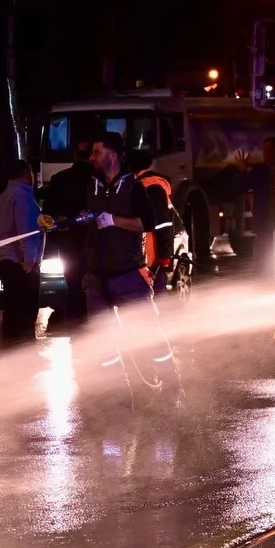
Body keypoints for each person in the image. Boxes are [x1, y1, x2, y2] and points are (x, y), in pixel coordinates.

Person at [84, 131, 181, 391]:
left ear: (112, 156)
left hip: (128, 275)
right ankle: (117, 393)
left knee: (148, 335)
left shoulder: (134, 188)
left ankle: (171, 386)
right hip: (96, 278)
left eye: (97, 152)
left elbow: (149, 223)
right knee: (102, 339)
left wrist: (114, 220)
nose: (92, 157)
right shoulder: (91, 185)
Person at [40, 139, 91, 325]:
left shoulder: (59, 179)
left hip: (67, 242)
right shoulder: (98, 179)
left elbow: (48, 214)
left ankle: (76, 326)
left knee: (73, 285)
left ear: (74, 156)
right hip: (94, 242)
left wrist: (57, 235)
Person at [0, 158, 43, 339]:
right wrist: (30, 262)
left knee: (12, 310)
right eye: (30, 173)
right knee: (25, 312)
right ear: (25, 174)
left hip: (5, 260)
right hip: (19, 262)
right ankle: (25, 352)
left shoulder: (4, 196)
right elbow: (26, 231)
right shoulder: (23, 197)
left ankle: (11, 349)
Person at [124, 148, 176, 296]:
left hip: (151, 260)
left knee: (154, 301)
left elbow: (163, 225)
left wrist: (163, 260)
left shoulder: (150, 186)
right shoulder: (144, 184)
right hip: (147, 258)